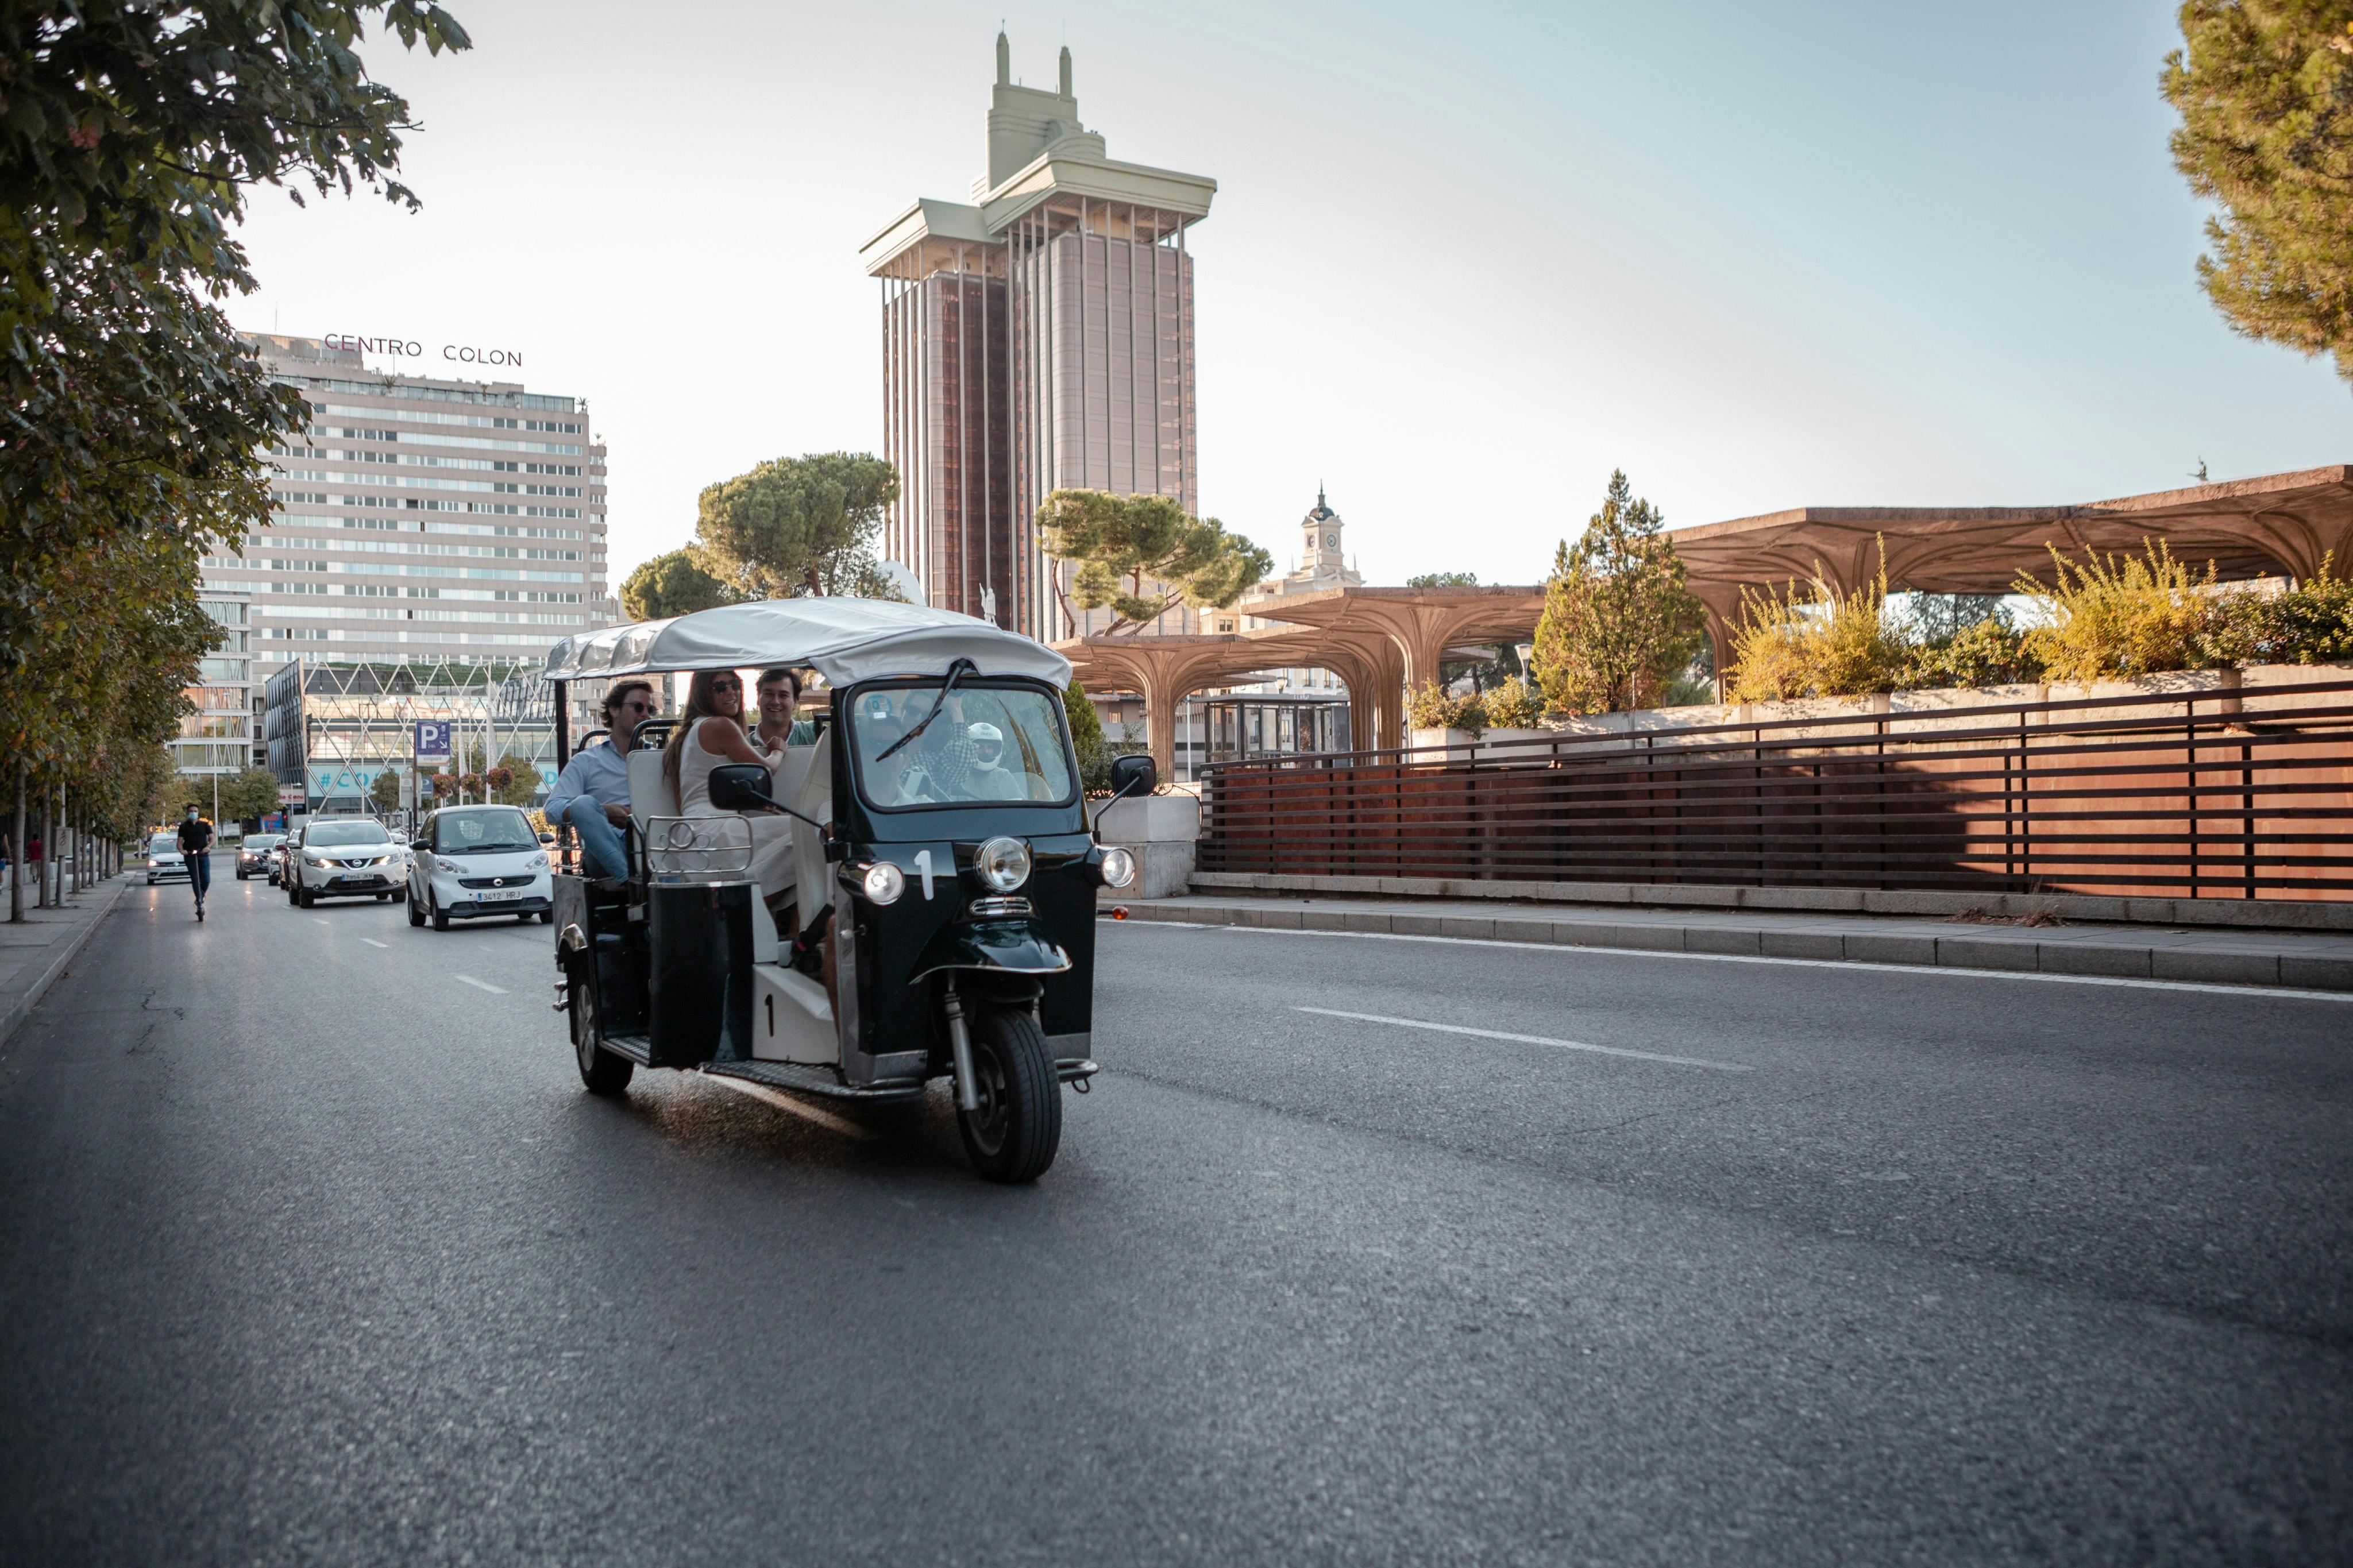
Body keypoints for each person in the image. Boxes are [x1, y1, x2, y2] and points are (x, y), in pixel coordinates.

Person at [665, 670, 796, 910]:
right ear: (704, 695)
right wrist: (779, 750)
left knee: (797, 844)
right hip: (715, 833)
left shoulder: (689, 735)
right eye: (720, 688)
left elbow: (693, 797)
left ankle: (768, 917)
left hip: (692, 837)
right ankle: (742, 910)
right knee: (809, 834)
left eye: (735, 684)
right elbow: (764, 771)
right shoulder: (719, 725)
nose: (730, 692)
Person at [543, 680, 657, 881]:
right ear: (614, 710)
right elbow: (552, 809)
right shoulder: (586, 761)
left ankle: (637, 882)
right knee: (583, 804)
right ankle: (630, 881)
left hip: (652, 844)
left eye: (651, 710)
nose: (645, 715)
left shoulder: (659, 759)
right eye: (638, 707)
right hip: (606, 847)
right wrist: (603, 811)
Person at [752, 667, 817, 757]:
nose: (775, 701)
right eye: (769, 694)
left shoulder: (816, 733)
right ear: (758, 699)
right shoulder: (743, 745)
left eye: (783, 695)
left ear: (795, 702)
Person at [175, 805, 214, 920]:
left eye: (195, 811)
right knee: (196, 879)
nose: (193, 813)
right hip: (191, 857)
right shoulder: (183, 827)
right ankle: (200, 901)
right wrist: (182, 851)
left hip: (203, 855)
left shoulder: (205, 825)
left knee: (206, 879)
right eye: (191, 811)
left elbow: (212, 839)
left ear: (198, 812)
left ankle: (200, 898)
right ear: (188, 812)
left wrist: (208, 847)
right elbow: (179, 842)